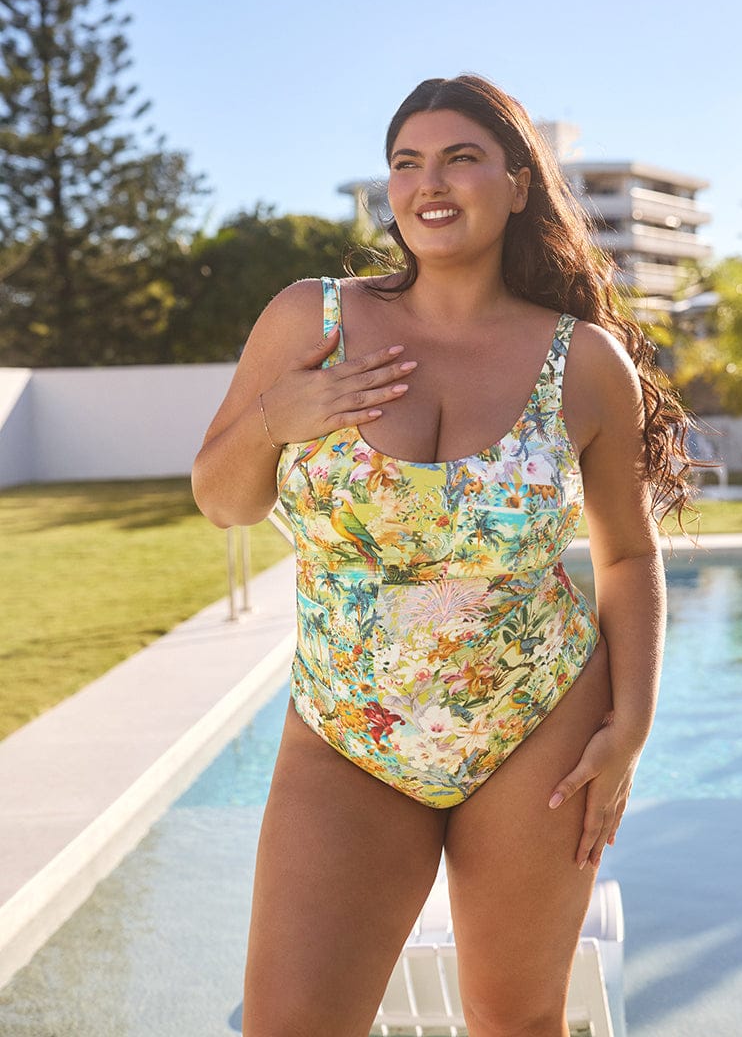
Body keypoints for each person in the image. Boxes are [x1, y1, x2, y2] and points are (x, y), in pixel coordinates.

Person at [192, 74, 692, 1037]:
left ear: (516, 185)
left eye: (461, 157)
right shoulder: (314, 321)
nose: (431, 181)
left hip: (538, 723)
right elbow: (223, 500)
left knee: (514, 1020)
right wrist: (274, 417)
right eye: (406, 162)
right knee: (289, 1022)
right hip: (348, 726)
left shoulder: (583, 362)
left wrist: (631, 725)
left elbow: (626, 555)